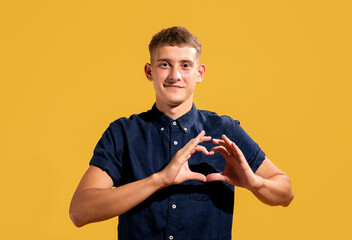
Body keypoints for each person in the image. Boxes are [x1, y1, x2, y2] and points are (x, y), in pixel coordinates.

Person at [69, 26, 294, 239]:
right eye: (165, 64)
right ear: (149, 71)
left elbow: (285, 192)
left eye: (185, 65)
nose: (175, 75)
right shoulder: (123, 134)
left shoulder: (225, 130)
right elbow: (80, 211)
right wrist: (160, 179)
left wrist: (254, 182)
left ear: (200, 72)